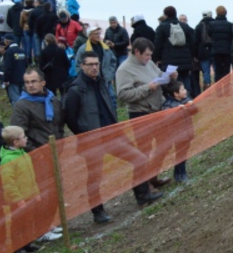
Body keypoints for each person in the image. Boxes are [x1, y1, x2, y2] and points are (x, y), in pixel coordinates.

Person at [62, 51, 157, 219]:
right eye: (90, 64)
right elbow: (69, 117)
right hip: (92, 140)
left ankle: (143, 195)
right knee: (95, 177)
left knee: (139, 158)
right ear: (82, 66)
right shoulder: (75, 90)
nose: (94, 67)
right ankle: (98, 212)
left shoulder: (102, 82)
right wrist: (84, 134)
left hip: (112, 135)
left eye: (96, 64)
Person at [114, 37, 169, 202]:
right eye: (147, 55)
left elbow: (159, 75)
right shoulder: (124, 70)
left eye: (151, 55)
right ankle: (144, 187)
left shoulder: (148, 63)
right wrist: (146, 88)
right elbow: (123, 94)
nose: (149, 58)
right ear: (136, 52)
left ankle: (153, 175)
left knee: (164, 144)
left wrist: (169, 76)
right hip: (140, 114)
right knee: (143, 151)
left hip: (157, 111)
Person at [11, 67, 64, 150]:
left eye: (33, 81)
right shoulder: (21, 106)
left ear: (43, 83)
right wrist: (36, 152)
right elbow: (17, 134)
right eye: (27, 82)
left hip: (57, 148)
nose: (30, 85)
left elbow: (60, 124)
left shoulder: (53, 101)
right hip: (37, 152)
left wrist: (60, 141)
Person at [153, 5, 200, 97]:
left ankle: (175, 100)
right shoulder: (185, 27)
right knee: (186, 79)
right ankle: (187, 97)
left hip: (169, 60)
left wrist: (156, 59)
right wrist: (192, 55)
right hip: (185, 60)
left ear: (165, 15)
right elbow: (193, 43)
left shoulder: (162, 27)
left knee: (172, 82)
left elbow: (157, 44)